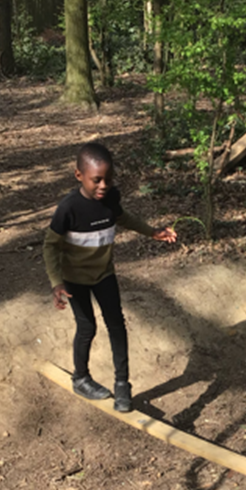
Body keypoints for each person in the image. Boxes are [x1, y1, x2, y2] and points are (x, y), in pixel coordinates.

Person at [43, 141, 176, 412]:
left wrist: (152, 232)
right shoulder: (69, 208)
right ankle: (81, 378)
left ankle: (122, 385)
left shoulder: (111, 199)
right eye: (97, 180)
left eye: (108, 179)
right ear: (79, 175)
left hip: (104, 274)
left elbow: (124, 218)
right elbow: (50, 246)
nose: (103, 185)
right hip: (75, 279)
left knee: (117, 325)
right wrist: (56, 282)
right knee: (87, 327)